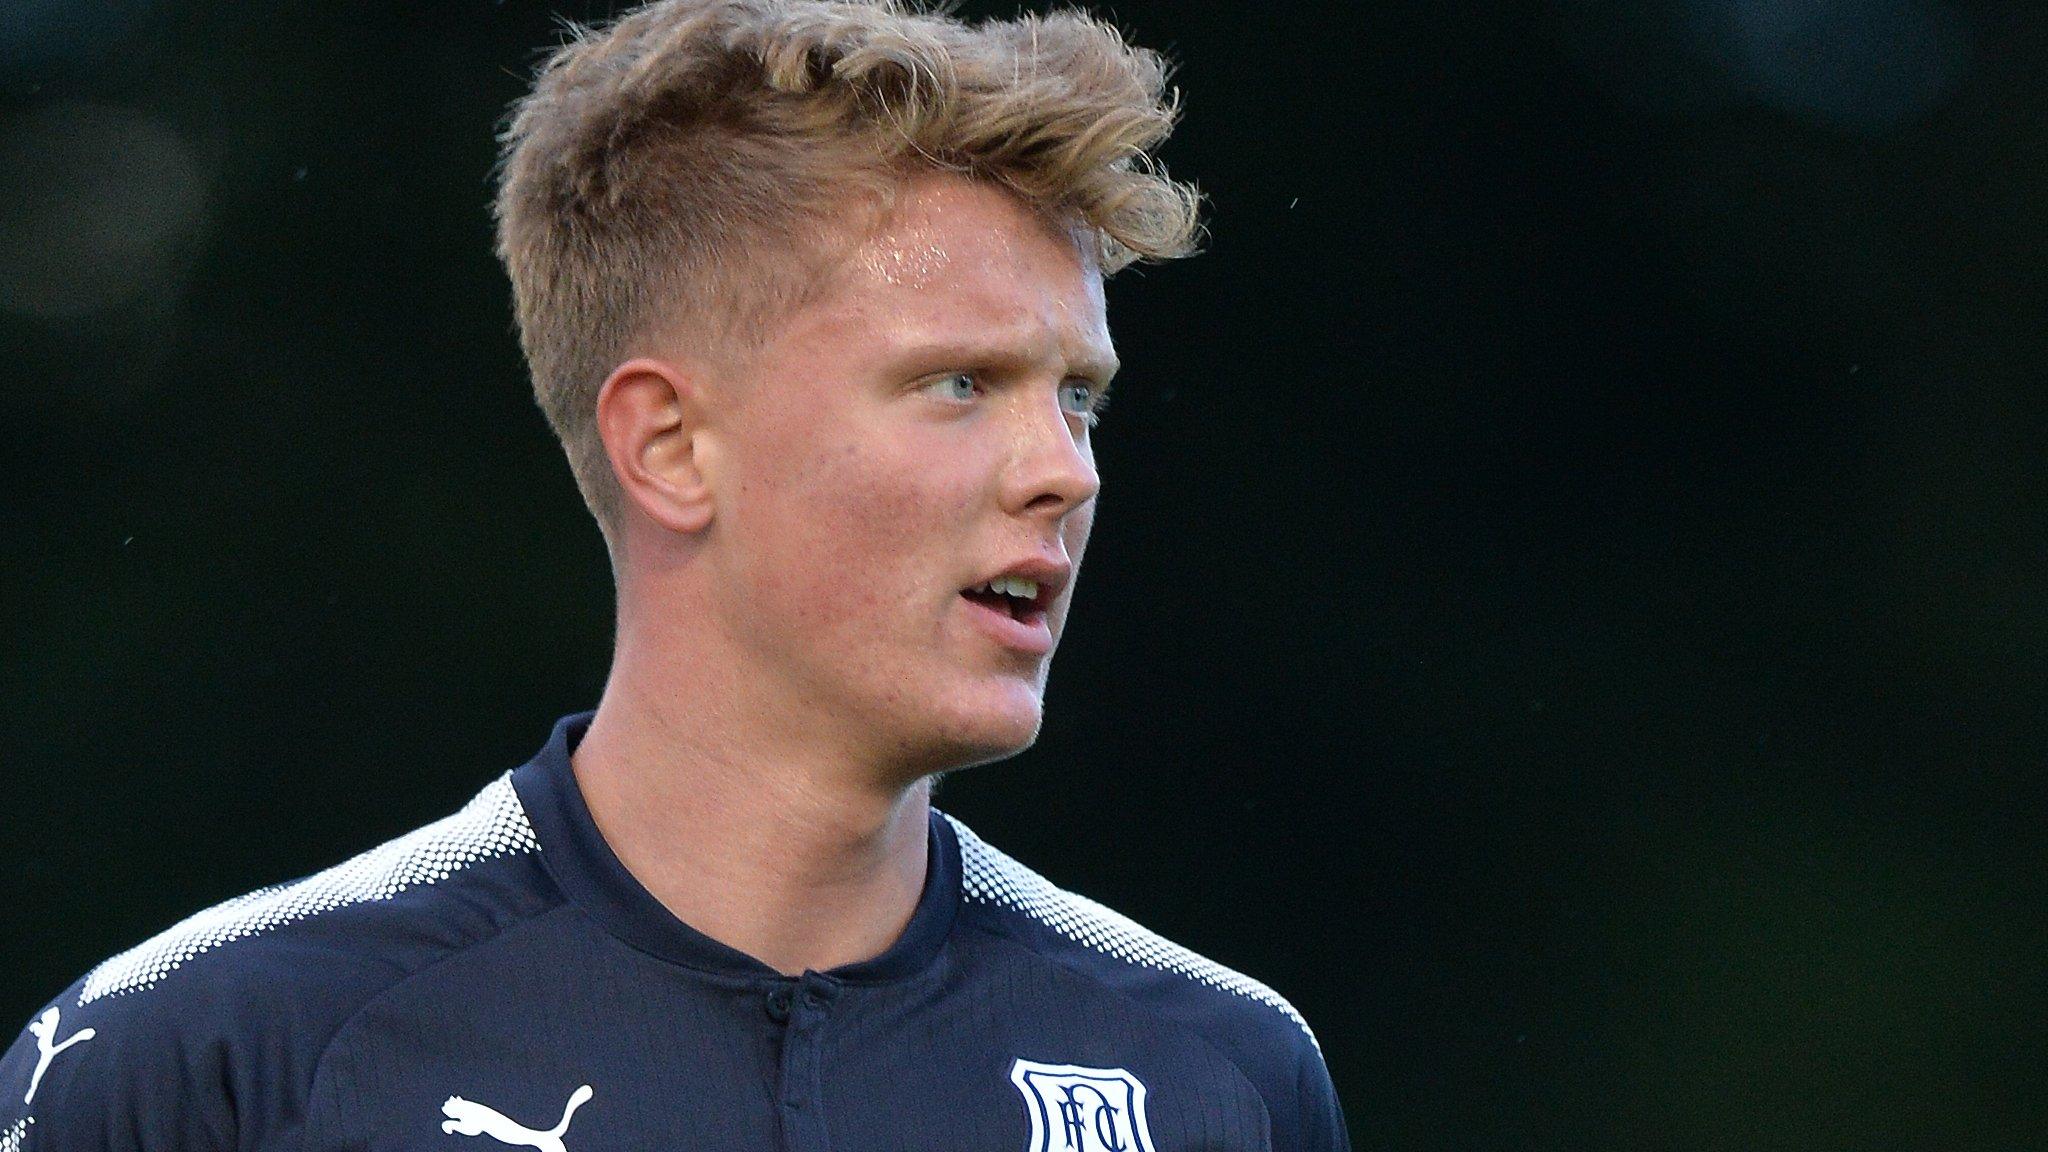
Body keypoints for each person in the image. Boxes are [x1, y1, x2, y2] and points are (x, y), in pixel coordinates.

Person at [1, 1, 1351, 1148]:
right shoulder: (207, 1059)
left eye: (1079, 399)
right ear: (670, 445)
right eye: (960, 383)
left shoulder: (1221, 1077)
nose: (1065, 470)